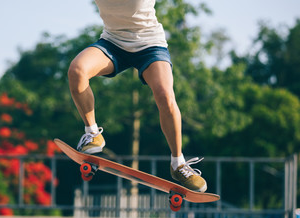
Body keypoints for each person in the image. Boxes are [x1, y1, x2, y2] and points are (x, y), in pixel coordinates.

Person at [67, 0, 207, 192]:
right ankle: (92, 133)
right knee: (77, 71)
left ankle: (178, 164)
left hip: (150, 45)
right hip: (112, 42)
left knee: (165, 96)